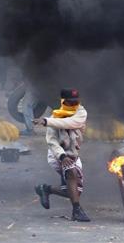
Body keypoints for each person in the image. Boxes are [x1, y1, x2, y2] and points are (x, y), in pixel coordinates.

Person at [34, 88, 91, 222]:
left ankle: (46, 189)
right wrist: (62, 156)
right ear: (63, 101)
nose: (73, 105)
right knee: (71, 172)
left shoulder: (81, 113)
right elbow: (52, 141)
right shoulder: (54, 117)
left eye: (76, 102)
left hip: (74, 155)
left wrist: (47, 121)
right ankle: (77, 211)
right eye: (70, 102)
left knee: (74, 191)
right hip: (57, 155)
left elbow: (71, 123)